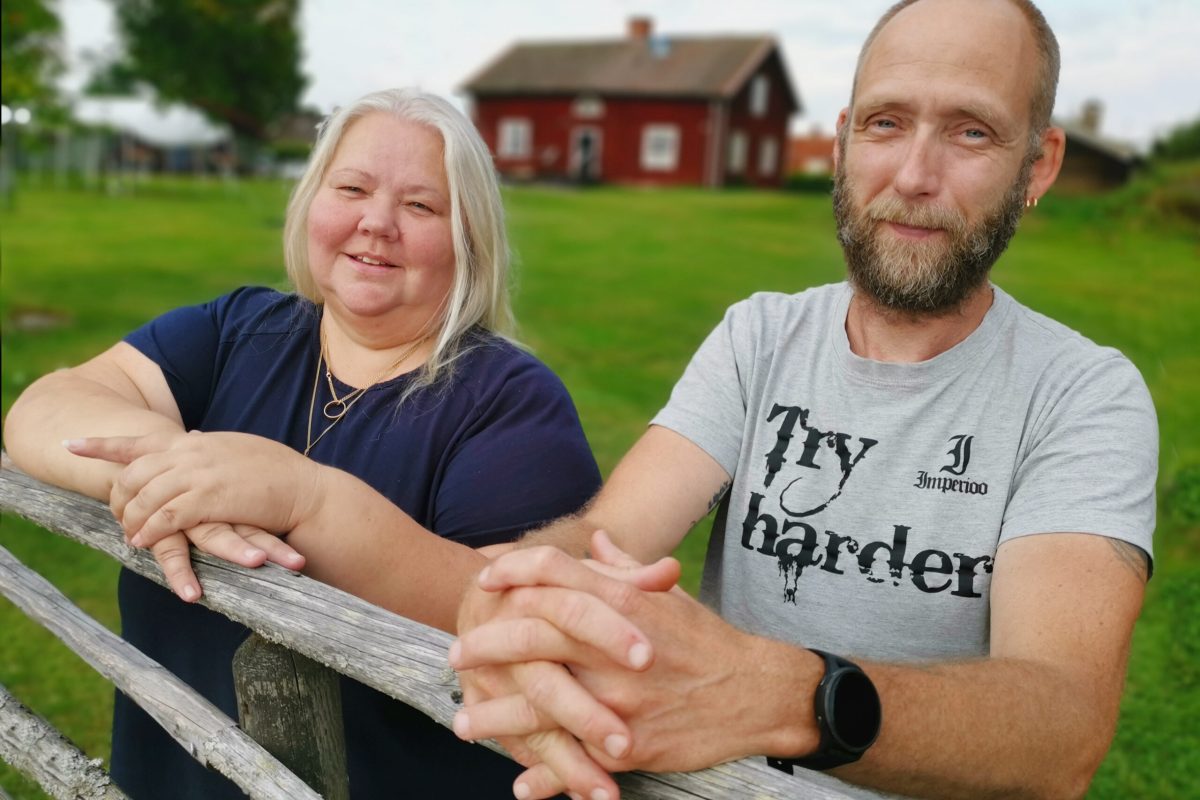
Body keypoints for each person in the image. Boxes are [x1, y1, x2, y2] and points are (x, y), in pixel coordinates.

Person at [445, 2, 1159, 799]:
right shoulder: (760, 337)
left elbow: (1060, 732)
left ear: (1039, 163)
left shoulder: (1081, 395)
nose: (915, 176)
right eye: (887, 123)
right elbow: (607, 539)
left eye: (971, 132)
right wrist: (511, 597)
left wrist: (781, 695)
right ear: (845, 140)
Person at [3, 88, 602, 799]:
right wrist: (184, 476)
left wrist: (296, 498)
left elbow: (523, 617)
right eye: (351, 188)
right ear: (312, 203)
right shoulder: (241, 329)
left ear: (470, 238)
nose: (376, 222)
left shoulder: (510, 403)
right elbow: (45, 406)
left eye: (420, 205)